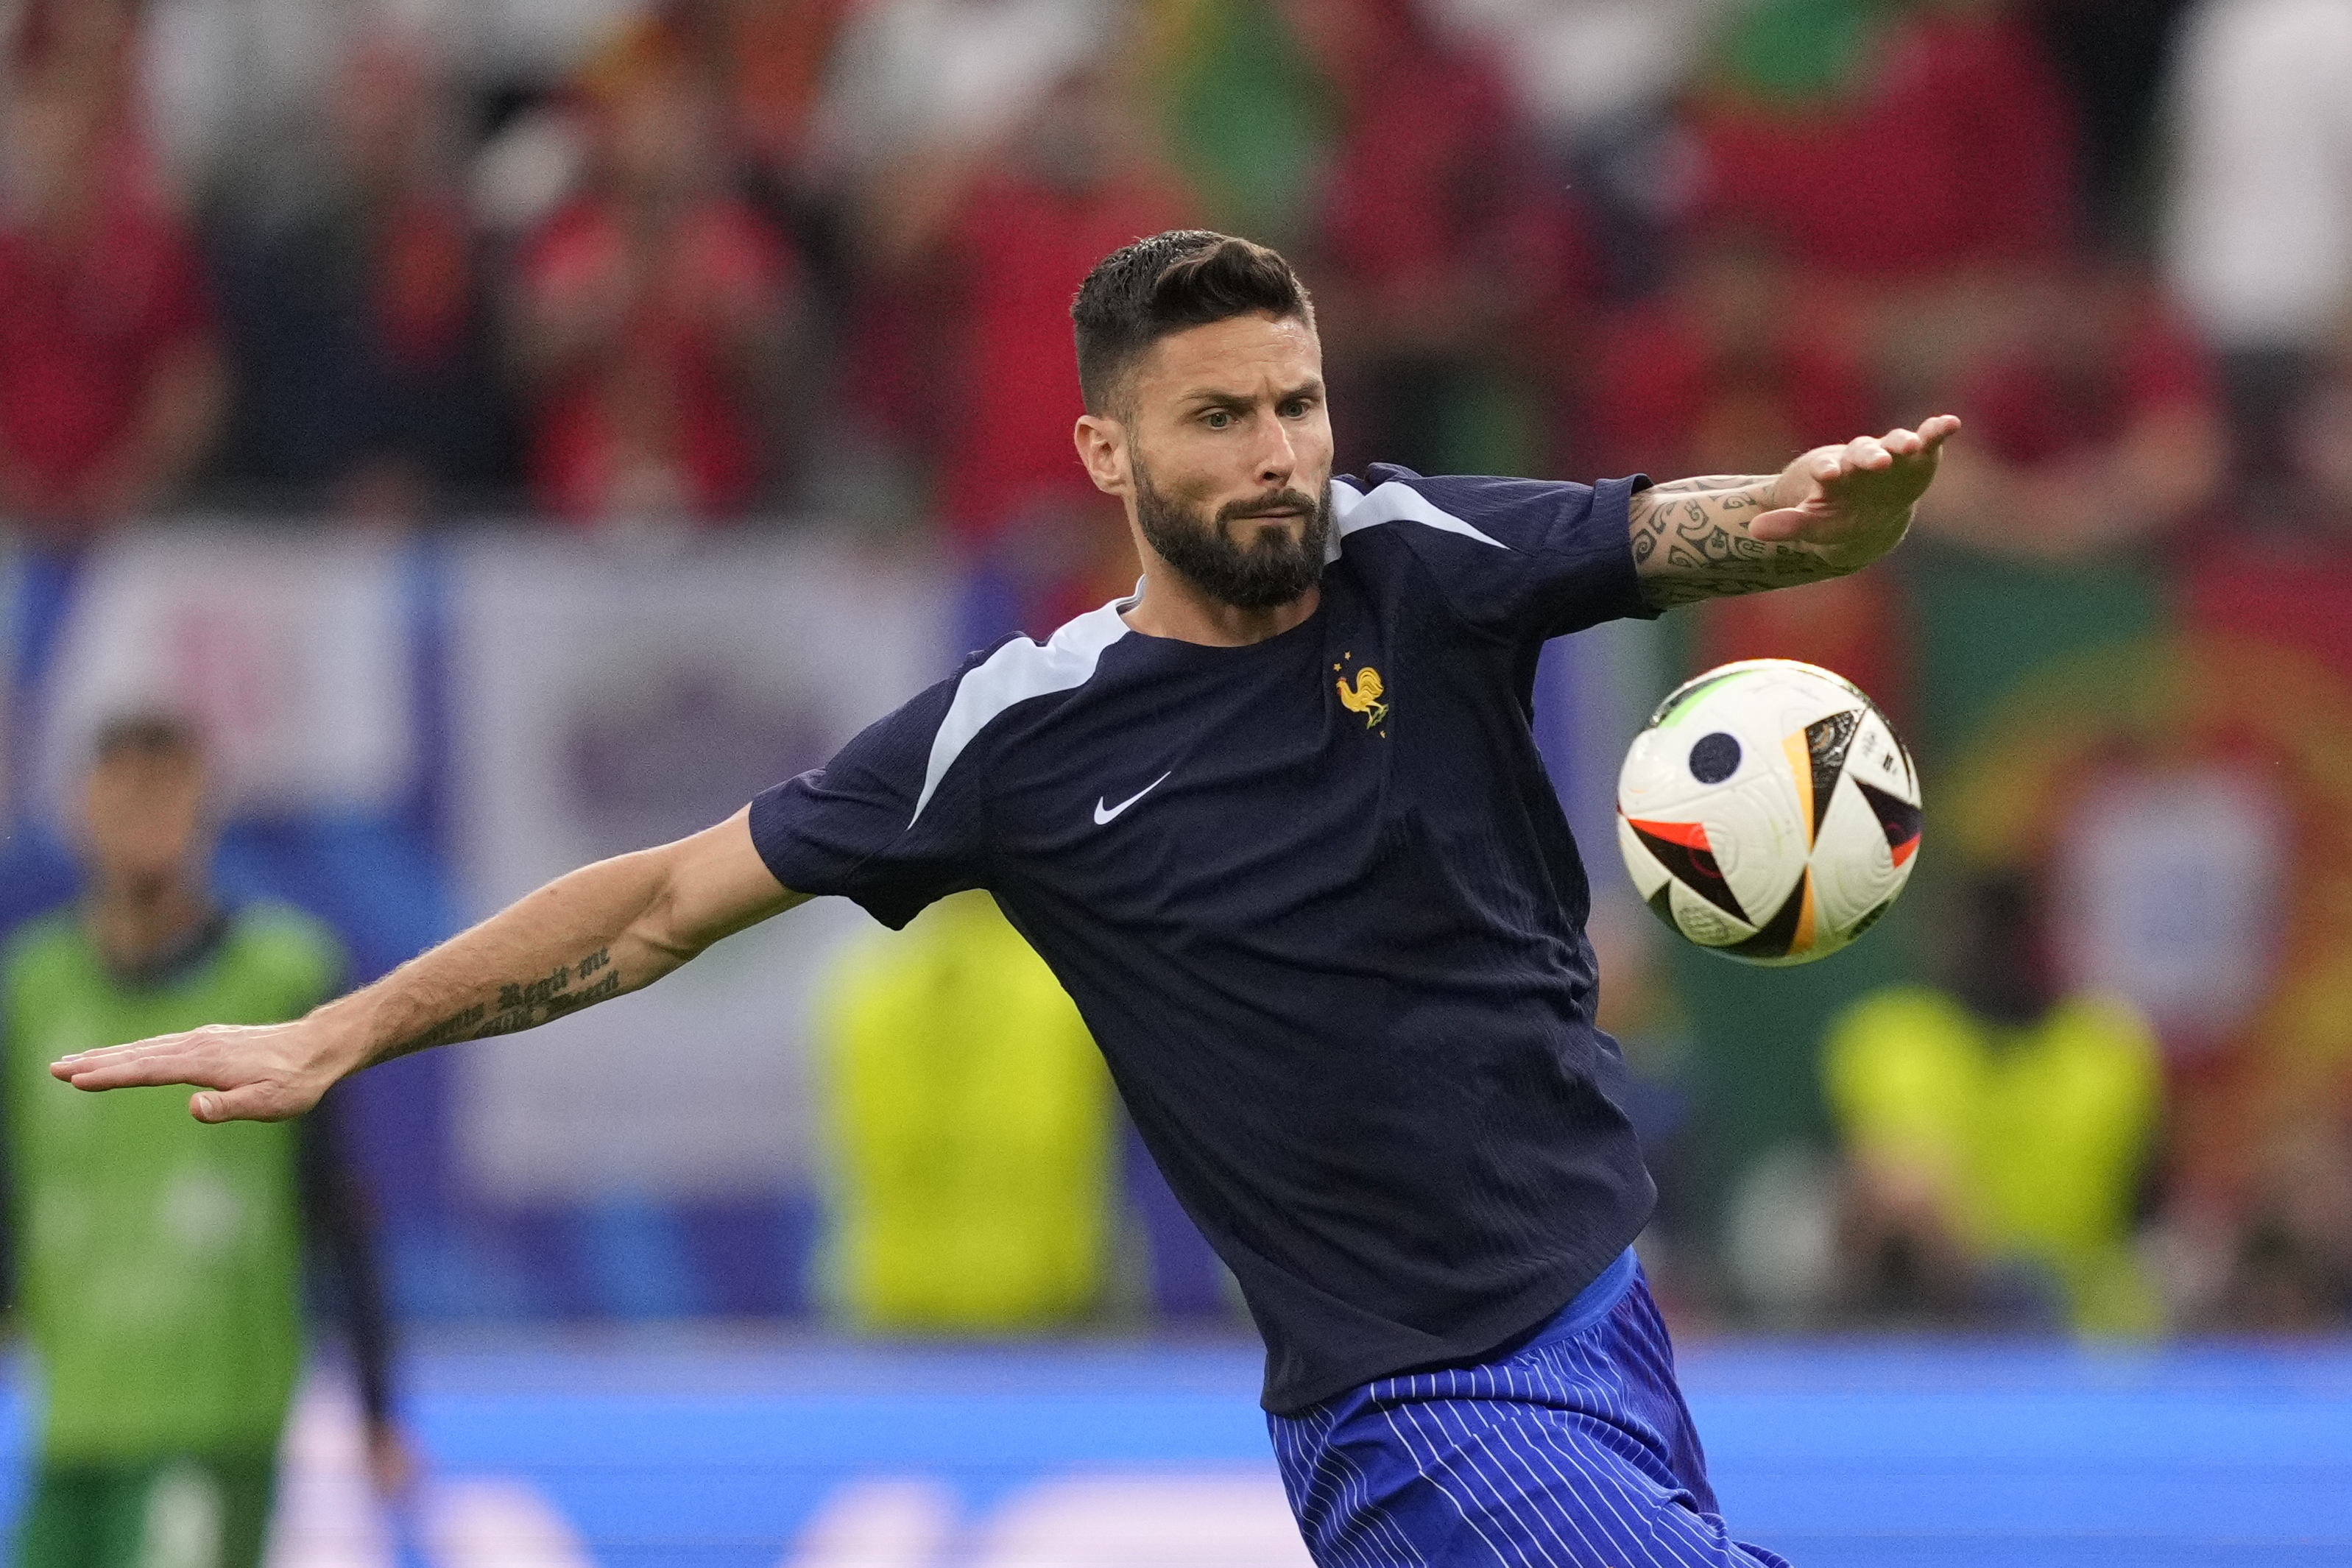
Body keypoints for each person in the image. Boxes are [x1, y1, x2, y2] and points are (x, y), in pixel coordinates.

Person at [55, 232, 1960, 1567]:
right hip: (1414, 1402)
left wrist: (1805, 519)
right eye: (1220, 417)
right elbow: (650, 906)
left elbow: (1669, 530)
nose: (1281, 450)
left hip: (1600, 1314)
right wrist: (348, 1023)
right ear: (1106, 456)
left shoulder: (1419, 554)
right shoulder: (1021, 735)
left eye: (1295, 401)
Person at [4, 714, 403, 1568]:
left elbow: (339, 1204)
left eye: (167, 793)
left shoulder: (283, 975)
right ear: (80, 812)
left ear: (204, 814)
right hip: (72, 1419)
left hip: (211, 1424)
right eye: (124, 794)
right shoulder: (30, 992)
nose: (144, 816)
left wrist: (377, 1406)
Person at [1821, 871, 2165, 1335]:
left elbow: (2151, 1214)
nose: (2000, 952)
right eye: (1986, 930)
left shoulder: (2110, 1052)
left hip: (2091, 1342)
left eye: (2017, 932)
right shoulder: (1887, 1041)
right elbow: (1837, 1210)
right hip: (1934, 1331)